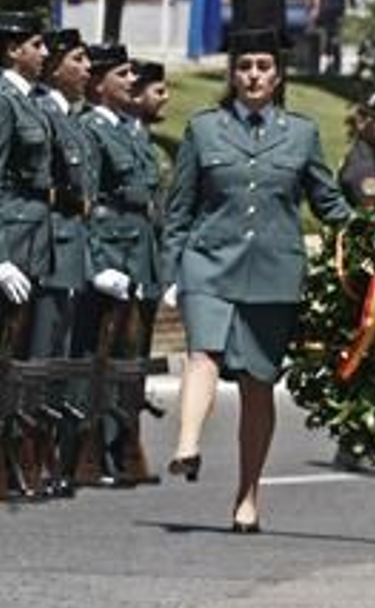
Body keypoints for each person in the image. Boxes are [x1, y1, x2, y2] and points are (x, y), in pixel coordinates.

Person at [163, 28, 351, 532]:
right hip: (209, 262)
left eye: (263, 67)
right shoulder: (204, 129)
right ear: (232, 73)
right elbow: (179, 207)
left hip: (273, 273)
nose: (253, 76)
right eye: (244, 66)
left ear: (278, 74)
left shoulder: (302, 132)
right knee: (203, 350)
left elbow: (327, 202)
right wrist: (170, 271)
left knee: (257, 383)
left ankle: (247, 496)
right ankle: (187, 444)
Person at [79, 44, 167, 485]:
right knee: (104, 356)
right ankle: (93, 451)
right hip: (113, 251)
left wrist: (162, 265)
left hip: (142, 252)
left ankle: (124, 446)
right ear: (98, 84)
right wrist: (97, 261)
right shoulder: (90, 129)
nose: (132, 81)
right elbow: (87, 202)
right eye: (123, 74)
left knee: (133, 359)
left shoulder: (133, 131)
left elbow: (153, 200)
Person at [30, 29, 95, 495]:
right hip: (48, 248)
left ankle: (50, 458)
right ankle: (29, 458)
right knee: (38, 358)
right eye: (78, 59)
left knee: (60, 358)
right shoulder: (44, 113)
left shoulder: (72, 117)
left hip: (73, 250)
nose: (87, 68)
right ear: (55, 66)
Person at [0, 11, 55, 497]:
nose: (44, 52)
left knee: (21, 358)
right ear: (12, 49)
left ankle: (15, 459)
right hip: (11, 241)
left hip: (34, 240)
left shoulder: (31, 102)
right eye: (36, 44)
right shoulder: (3, 102)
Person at [332, 91, 375, 476]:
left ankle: (359, 437)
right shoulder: (363, 166)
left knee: (372, 358)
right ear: (363, 121)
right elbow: (371, 219)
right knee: (366, 357)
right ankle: (358, 439)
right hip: (366, 279)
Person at [313, 0, 353, 75]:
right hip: (337, 9)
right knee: (335, 35)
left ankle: (327, 63)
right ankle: (334, 64)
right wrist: (352, 2)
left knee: (327, 36)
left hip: (326, 8)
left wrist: (318, 9)